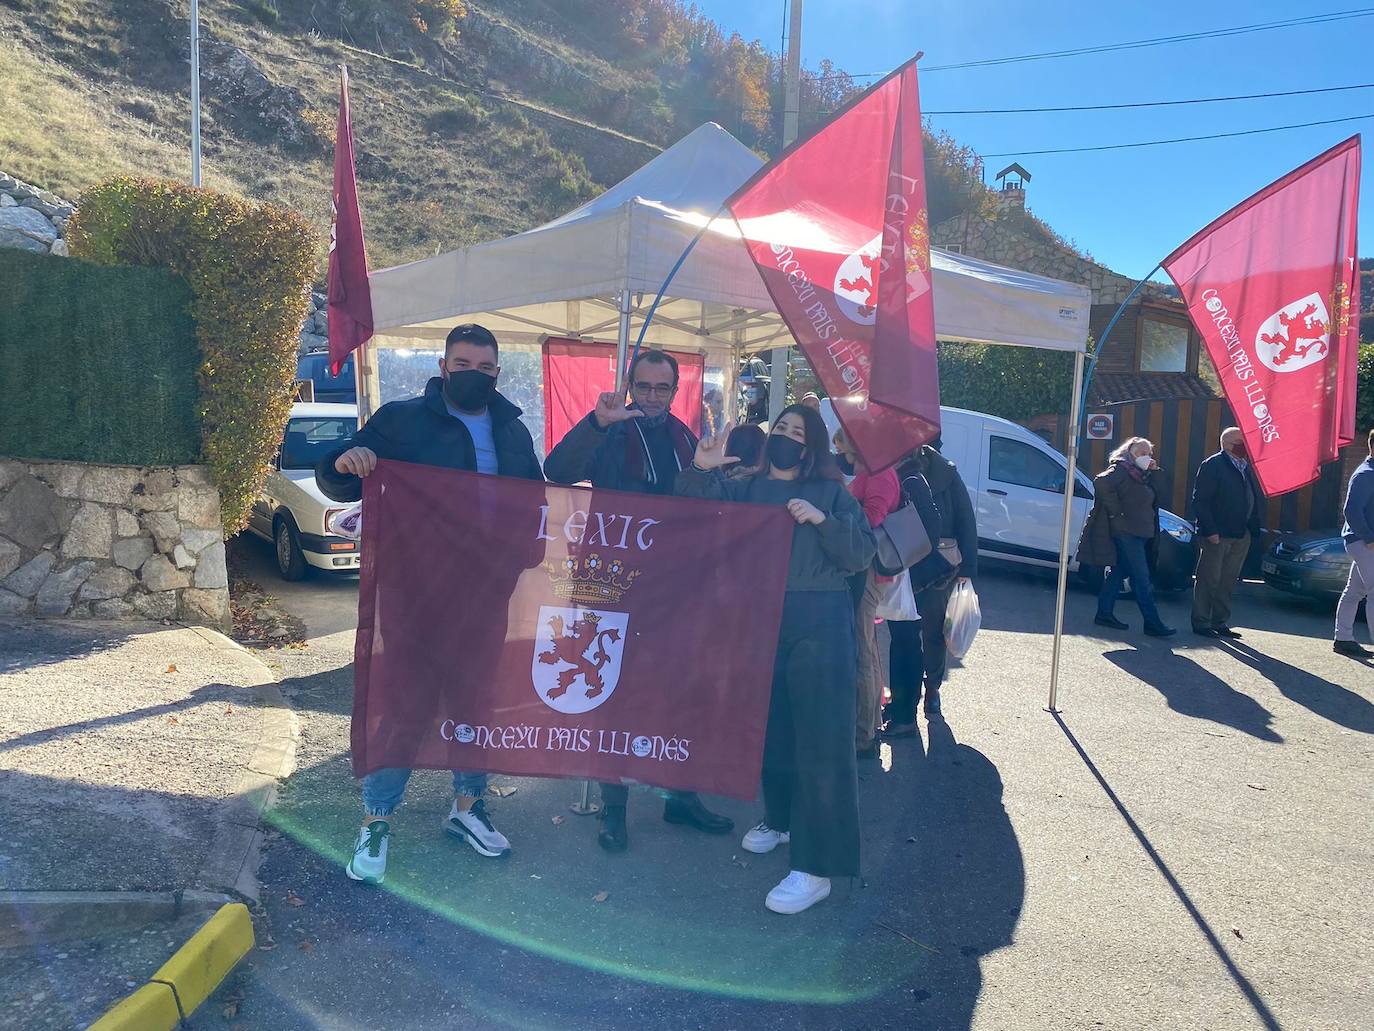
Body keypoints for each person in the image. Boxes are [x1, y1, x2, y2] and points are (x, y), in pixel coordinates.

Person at [316, 323, 544, 885]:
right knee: (406, 703)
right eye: (463, 365)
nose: (474, 376)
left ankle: (468, 808)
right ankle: (376, 819)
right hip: (415, 591)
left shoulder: (512, 430)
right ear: (443, 367)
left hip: (486, 591)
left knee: (475, 702)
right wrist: (349, 460)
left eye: (485, 369)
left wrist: (518, 556)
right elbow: (341, 473)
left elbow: (534, 497)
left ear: (497, 372)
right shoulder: (401, 419)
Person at [678, 404, 876, 914]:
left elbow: (860, 555)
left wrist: (824, 521)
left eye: (798, 433)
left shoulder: (833, 492)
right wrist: (702, 467)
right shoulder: (743, 485)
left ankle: (816, 868)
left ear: (812, 446)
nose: (788, 439)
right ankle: (781, 819)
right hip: (759, 622)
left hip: (820, 621)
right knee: (773, 728)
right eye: (781, 430)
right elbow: (691, 517)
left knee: (822, 743)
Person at [544, 349, 734, 852]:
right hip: (612, 584)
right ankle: (614, 807)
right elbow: (558, 470)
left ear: (675, 391)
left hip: (674, 587)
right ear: (630, 388)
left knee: (679, 691)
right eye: (644, 387)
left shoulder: (685, 437)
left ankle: (680, 796)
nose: (652, 397)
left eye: (662, 389)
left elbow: (705, 504)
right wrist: (596, 424)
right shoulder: (612, 431)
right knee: (614, 694)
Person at [890, 438, 978, 717]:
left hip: (938, 565)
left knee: (933, 630)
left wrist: (967, 571)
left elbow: (966, 519)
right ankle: (907, 698)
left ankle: (932, 688)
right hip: (905, 562)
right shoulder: (893, 468)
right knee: (904, 633)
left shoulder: (945, 473)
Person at [833, 427, 900, 759]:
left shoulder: (880, 475)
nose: (845, 458)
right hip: (867, 570)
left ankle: (863, 735)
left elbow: (872, 518)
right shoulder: (875, 473)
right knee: (869, 649)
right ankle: (869, 725)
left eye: (846, 451)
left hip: (869, 571)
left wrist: (841, 506)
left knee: (863, 650)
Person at [884, 463, 952, 739]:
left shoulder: (911, 481)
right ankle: (898, 707)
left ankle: (905, 716)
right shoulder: (903, 478)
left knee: (907, 644)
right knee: (900, 642)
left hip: (910, 576)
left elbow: (932, 533)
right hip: (902, 574)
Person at [1090, 437, 1176, 638]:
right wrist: (1116, 513)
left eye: (1148, 453)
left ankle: (1104, 613)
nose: (1145, 457)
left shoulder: (1143, 475)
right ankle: (1152, 622)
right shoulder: (1121, 469)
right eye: (1141, 453)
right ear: (1129, 453)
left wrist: (1154, 471)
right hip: (1128, 532)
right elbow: (1101, 482)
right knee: (1141, 578)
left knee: (1120, 572)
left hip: (1141, 532)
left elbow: (1161, 493)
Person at [1190, 427, 1263, 639]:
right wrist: (1211, 530)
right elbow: (1200, 501)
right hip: (1217, 534)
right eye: (1242, 441)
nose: (1246, 445)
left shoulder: (1245, 467)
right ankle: (1201, 622)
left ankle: (1219, 621)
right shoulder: (1213, 465)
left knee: (1228, 580)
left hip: (1241, 533)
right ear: (1228, 443)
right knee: (1208, 579)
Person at [1334, 428, 1374, 658]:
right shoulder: (1365, 474)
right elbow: (1351, 510)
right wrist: (1369, 538)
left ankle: (1343, 638)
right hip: (1364, 542)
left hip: (1364, 541)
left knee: (1355, 591)